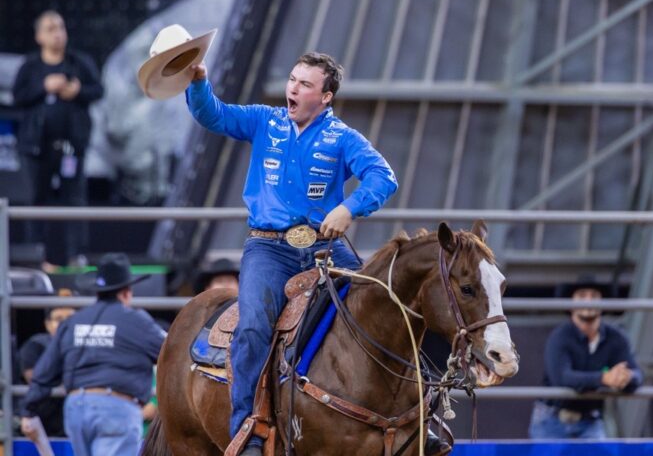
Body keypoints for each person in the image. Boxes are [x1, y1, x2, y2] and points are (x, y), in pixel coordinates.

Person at [185, 52, 409, 455]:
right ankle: (248, 429)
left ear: (325, 97)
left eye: (305, 84)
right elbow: (213, 115)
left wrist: (349, 208)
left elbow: (383, 176)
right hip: (268, 248)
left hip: (324, 246)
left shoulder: (342, 137)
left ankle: (413, 413)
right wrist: (199, 80)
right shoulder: (264, 120)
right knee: (253, 326)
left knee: (382, 305)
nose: (293, 88)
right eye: (292, 79)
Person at [19, 253, 167, 456]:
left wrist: (28, 410)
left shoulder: (73, 322)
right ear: (126, 293)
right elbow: (171, 352)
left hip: (76, 407)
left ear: (98, 291)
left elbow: (45, 371)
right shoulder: (136, 321)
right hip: (116, 407)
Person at [12, 10, 104, 267]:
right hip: (35, 147)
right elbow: (18, 97)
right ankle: (38, 255)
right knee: (36, 198)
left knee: (74, 200)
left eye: (61, 27)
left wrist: (77, 90)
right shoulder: (31, 66)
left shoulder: (79, 62)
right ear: (39, 36)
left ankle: (76, 256)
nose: (58, 34)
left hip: (71, 146)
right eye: (50, 29)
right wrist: (44, 87)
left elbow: (98, 90)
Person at [529, 279, 643, 439]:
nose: (589, 301)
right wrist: (604, 378)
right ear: (570, 304)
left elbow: (637, 374)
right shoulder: (559, 337)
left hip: (591, 420)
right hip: (551, 420)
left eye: (594, 296)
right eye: (582, 296)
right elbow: (562, 378)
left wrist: (627, 377)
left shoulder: (616, 337)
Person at [17, 289, 76, 436]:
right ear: (48, 324)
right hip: (43, 422)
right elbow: (34, 378)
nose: (65, 325)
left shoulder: (89, 348)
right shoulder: (35, 345)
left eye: (70, 319)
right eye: (59, 319)